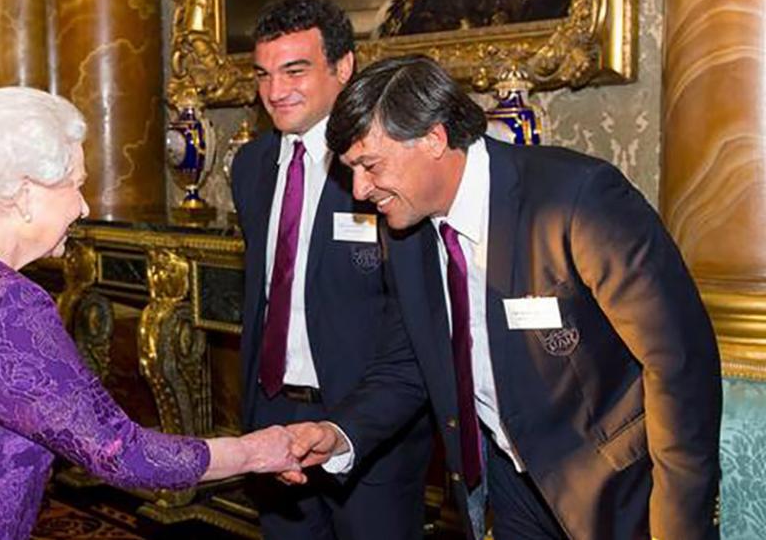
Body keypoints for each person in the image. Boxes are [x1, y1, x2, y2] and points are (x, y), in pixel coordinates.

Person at [0, 87, 300, 540]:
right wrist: (255, 451)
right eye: (76, 184)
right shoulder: (1, 302)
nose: (84, 207)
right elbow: (118, 452)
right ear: (25, 193)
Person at [286, 55, 722, 540]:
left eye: (369, 165)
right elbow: (410, 362)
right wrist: (339, 433)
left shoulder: (576, 199)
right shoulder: (405, 230)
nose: (362, 190)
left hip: (618, 494)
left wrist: (680, 527)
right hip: (508, 494)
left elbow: (679, 365)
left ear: (433, 138)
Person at [230, 0, 432, 540]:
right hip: (273, 416)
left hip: (369, 430)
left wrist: (362, 421)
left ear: (343, 68)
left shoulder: (383, 168)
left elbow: (409, 311)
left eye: (295, 70)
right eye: (264, 74)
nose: (275, 91)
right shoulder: (250, 168)